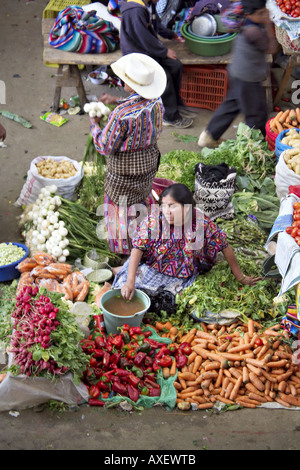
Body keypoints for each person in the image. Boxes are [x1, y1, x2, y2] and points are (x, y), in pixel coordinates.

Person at [112, 183, 262, 301]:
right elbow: (138, 248)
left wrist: (240, 276)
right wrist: (130, 281)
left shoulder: (201, 223)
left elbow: (224, 244)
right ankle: (118, 272)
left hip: (182, 275)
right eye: (163, 206)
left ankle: (117, 270)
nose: (166, 211)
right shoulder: (155, 221)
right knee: (124, 290)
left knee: (167, 301)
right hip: (153, 267)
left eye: (172, 206)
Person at [89, 52, 166, 255]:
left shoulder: (121, 115)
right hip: (148, 163)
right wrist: (117, 100)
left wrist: (94, 126)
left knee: (120, 208)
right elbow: (140, 107)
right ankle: (144, 241)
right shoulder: (157, 102)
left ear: (130, 85)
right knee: (140, 201)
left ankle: (126, 254)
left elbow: (104, 146)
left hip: (123, 172)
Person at [198, 0, 278, 149]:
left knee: (231, 105)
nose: (264, 14)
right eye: (260, 13)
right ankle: (254, 146)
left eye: (264, 11)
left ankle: (209, 136)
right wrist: (267, 23)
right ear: (249, 14)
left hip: (238, 72)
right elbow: (271, 48)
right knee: (257, 114)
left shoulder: (245, 22)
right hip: (248, 78)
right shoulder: (253, 31)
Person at [119, 0, 194, 129]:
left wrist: (171, 35)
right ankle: (169, 117)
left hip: (148, 50)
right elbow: (143, 38)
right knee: (165, 77)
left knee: (176, 65)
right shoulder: (135, 11)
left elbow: (157, 26)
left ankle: (176, 105)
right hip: (137, 54)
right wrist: (164, 51)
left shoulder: (149, 5)